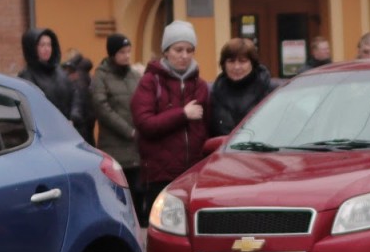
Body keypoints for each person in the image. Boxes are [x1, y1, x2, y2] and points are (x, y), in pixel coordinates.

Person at [131, 21, 210, 203]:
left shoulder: (201, 86)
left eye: (189, 50)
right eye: (178, 50)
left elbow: (207, 128)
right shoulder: (150, 82)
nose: (184, 56)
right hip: (160, 175)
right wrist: (182, 114)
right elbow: (145, 124)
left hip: (193, 173)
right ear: (166, 51)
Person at [92, 33, 145, 219]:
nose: (127, 56)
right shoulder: (101, 76)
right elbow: (102, 109)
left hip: (135, 148)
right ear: (113, 54)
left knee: (137, 196)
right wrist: (128, 130)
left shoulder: (134, 75)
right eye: (122, 52)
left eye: (128, 51)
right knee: (118, 196)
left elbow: (142, 102)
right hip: (114, 147)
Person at [208, 37, 273, 137]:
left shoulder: (271, 91)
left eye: (242, 61)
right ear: (223, 64)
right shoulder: (214, 93)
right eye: (231, 61)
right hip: (224, 151)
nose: (236, 67)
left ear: (253, 63)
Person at [17, 28, 77, 121]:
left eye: (49, 45)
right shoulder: (26, 77)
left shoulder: (60, 72)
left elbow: (74, 93)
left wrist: (74, 115)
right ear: (32, 48)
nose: (47, 49)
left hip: (66, 128)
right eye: (42, 45)